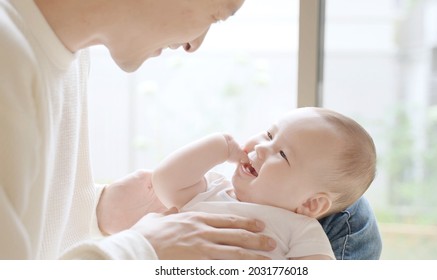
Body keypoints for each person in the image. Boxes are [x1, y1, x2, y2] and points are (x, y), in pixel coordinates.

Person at [0, 0, 381, 260]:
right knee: (349, 218)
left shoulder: (67, 56)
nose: (195, 43)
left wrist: (97, 210)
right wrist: (144, 249)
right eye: (215, 14)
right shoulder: (9, 57)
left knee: (346, 207)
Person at [151, 107, 377, 259]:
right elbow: (164, 182)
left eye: (282, 154)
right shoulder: (211, 190)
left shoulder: (302, 230)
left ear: (311, 204)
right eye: (269, 135)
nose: (260, 147)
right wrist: (219, 146)